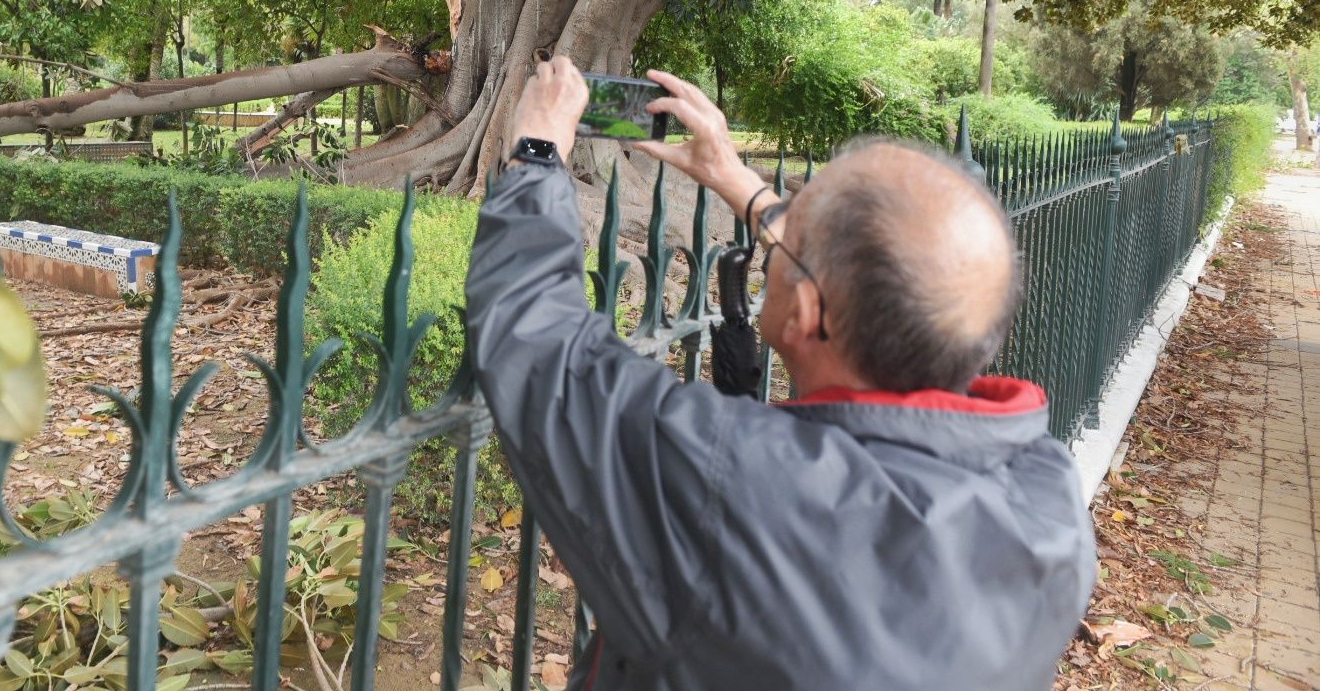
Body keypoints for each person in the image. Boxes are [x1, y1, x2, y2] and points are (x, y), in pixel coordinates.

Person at [464, 58, 1096, 691]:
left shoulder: (739, 488)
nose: (776, 234)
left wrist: (540, 146)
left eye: (792, 231)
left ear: (808, 311)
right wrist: (735, 179)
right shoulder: (1046, 496)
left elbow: (538, 342)